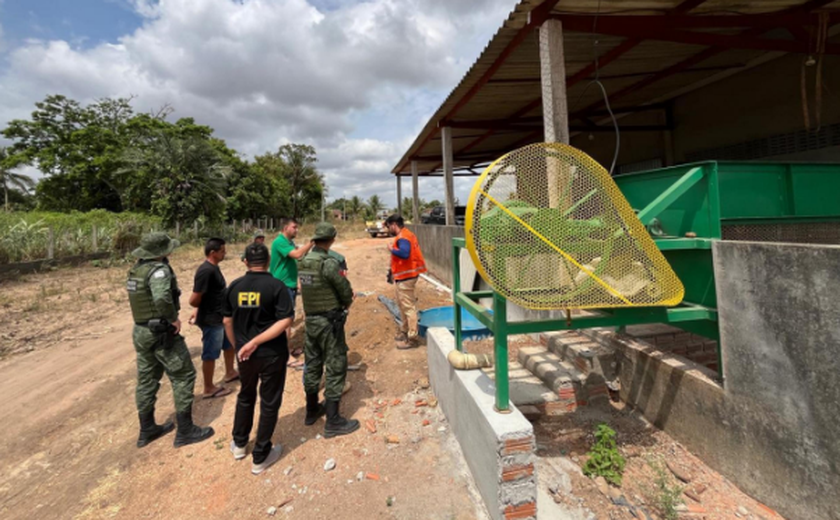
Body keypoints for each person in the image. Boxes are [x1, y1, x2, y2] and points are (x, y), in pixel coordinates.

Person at [126, 232, 214, 448]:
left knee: (147, 379)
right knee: (183, 375)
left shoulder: (136, 270)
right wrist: (173, 319)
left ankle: (147, 429)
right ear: (161, 251)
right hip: (161, 332)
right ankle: (185, 430)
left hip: (141, 331)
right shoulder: (159, 271)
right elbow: (162, 297)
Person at [224, 243, 294, 475]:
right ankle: (261, 456)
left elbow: (226, 321)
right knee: (269, 401)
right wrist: (257, 342)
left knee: (246, 395)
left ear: (245, 261)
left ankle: (240, 444)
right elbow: (285, 321)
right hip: (272, 354)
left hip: (245, 356)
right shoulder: (277, 286)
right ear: (268, 262)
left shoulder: (234, 286)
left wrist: (240, 346)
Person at [299, 222, 359, 437]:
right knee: (336, 364)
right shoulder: (329, 263)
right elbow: (344, 289)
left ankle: (311, 410)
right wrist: (347, 300)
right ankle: (333, 420)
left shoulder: (304, 261)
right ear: (332, 240)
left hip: (311, 321)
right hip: (329, 322)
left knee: (313, 363)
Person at [189, 238, 237, 399]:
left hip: (220, 316)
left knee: (229, 344)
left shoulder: (214, 268)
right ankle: (208, 387)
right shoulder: (206, 271)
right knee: (210, 353)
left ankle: (230, 372)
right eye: (222, 251)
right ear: (213, 253)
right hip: (211, 319)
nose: (225, 253)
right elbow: (194, 298)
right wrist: (198, 309)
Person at [384, 214, 427, 349]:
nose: (388, 229)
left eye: (389, 226)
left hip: (407, 277)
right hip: (403, 276)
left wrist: (392, 249)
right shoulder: (405, 235)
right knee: (402, 305)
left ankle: (412, 338)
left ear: (394, 224)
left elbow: (404, 253)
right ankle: (405, 331)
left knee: (408, 307)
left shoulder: (403, 237)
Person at [270, 217, 314, 303]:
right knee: (285, 314)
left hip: (290, 284)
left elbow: (298, 258)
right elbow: (297, 254)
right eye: (294, 227)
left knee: (290, 313)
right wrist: (312, 242)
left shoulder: (290, 242)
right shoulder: (279, 241)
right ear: (285, 228)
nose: (297, 230)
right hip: (282, 285)